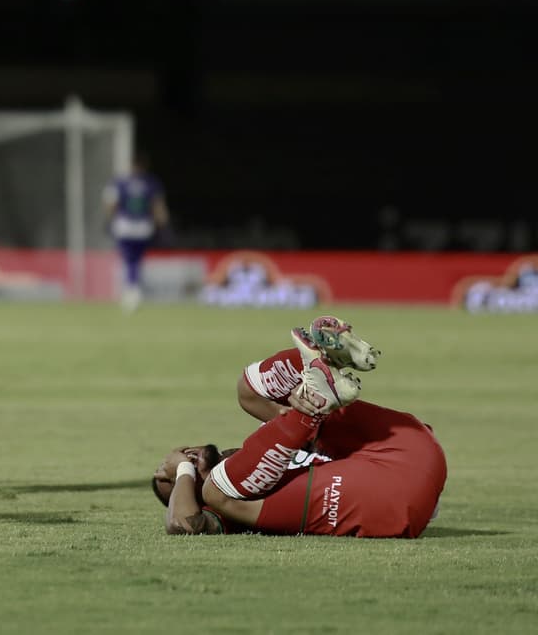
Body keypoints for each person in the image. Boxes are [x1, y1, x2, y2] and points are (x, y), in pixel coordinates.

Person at [151, 317, 446, 538]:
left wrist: (294, 402)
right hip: (394, 501)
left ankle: (322, 362)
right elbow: (182, 523)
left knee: (248, 393)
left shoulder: (271, 444)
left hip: (407, 445)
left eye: (182, 457)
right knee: (217, 490)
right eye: (174, 482)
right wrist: (183, 471)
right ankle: (316, 392)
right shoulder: (222, 509)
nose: (183, 459)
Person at [102, 152, 168, 312]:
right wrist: (162, 223)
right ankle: (134, 288)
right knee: (137, 260)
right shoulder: (150, 182)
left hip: (125, 226)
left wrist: (110, 221)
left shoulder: (119, 182)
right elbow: (157, 206)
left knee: (128, 259)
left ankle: (131, 290)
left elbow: (111, 204)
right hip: (143, 227)